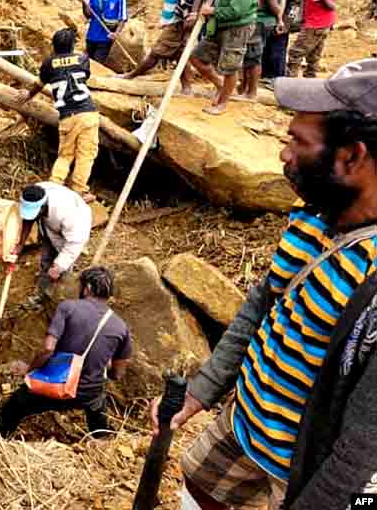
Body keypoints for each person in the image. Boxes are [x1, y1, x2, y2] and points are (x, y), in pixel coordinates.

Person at [148, 58, 377, 510]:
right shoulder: (314, 214)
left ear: (352, 156)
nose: (284, 153)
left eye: (299, 141)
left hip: (301, 466)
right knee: (196, 492)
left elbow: (365, 439)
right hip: (243, 423)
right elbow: (262, 304)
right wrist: (202, 389)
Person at [0, 266, 131, 439]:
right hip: (88, 394)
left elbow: (48, 349)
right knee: (99, 411)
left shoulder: (68, 308)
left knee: (14, 406)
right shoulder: (121, 326)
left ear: (87, 287)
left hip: (54, 387)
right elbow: (117, 374)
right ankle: (102, 440)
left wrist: (30, 370)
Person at [18, 29, 102, 203]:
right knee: (86, 154)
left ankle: (54, 185)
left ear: (54, 46)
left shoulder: (48, 64)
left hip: (66, 116)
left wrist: (28, 95)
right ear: (72, 45)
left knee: (65, 155)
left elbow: (39, 85)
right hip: (87, 112)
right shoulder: (82, 59)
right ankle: (78, 191)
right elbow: (84, 76)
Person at [188, 0, 261, 115]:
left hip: (236, 28)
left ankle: (222, 104)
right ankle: (220, 85)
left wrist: (211, 11)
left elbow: (237, 10)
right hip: (223, 25)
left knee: (230, 67)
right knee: (196, 56)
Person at [12, 183, 92, 310]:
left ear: (43, 207)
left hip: (70, 236)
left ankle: (61, 303)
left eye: (34, 213)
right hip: (49, 227)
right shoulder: (35, 193)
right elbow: (28, 220)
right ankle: (42, 295)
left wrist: (59, 266)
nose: (31, 217)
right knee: (46, 260)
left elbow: (75, 243)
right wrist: (20, 244)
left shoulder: (70, 215)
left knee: (62, 270)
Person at [241, 0, 286, 100]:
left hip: (261, 20)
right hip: (267, 19)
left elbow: (273, 3)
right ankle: (245, 89)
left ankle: (250, 93)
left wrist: (279, 18)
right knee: (252, 55)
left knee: (253, 57)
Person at [287, 0, 336, 78]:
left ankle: (290, 81)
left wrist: (333, 6)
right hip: (325, 23)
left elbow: (327, 3)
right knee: (314, 55)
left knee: (295, 53)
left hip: (315, 23)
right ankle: (310, 79)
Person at [262, 0, 303, 85]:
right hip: (273, 16)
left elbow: (295, 4)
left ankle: (277, 78)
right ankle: (266, 75)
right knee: (267, 49)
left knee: (277, 50)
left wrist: (286, 23)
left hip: (283, 19)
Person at [78, 0, 127, 66]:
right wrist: (84, 3)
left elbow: (123, 18)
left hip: (105, 38)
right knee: (86, 63)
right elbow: (88, 15)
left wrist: (116, 33)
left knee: (97, 64)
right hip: (91, 36)